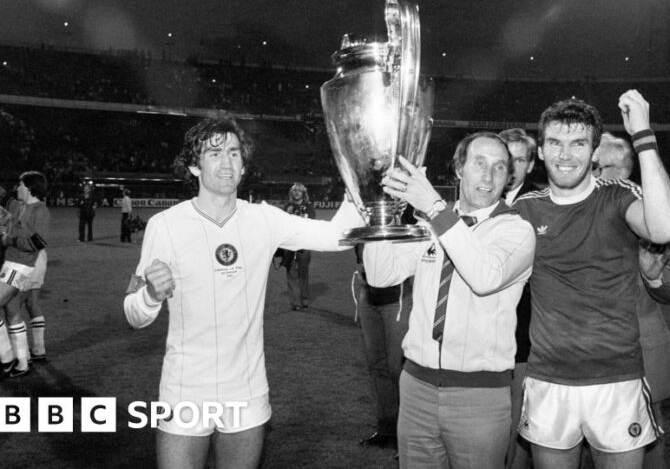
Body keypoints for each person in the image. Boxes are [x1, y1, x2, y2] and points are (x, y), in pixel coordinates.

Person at [123, 116, 363, 469]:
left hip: (246, 391)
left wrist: (359, 180)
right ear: (193, 164)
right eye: (215, 153)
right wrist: (150, 297)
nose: (227, 163)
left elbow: (337, 235)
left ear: (244, 164)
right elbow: (133, 314)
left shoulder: (264, 220)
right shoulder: (165, 226)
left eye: (234, 153)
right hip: (185, 389)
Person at [514, 91, 670, 469]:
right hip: (549, 380)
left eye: (578, 144)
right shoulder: (525, 209)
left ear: (593, 153)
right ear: (540, 150)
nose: (566, 155)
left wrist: (643, 134)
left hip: (616, 380)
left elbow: (665, 227)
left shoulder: (619, 198)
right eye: (554, 143)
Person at [363, 132, 536, 468]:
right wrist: (381, 211)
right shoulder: (431, 224)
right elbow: (380, 275)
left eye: (500, 167)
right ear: (459, 168)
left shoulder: (516, 231)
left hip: (479, 397)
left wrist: (434, 208)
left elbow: (484, 277)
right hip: (416, 387)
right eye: (479, 163)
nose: (488, 176)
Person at [593, 132, 670, 469]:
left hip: (641, 357)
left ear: (630, 170)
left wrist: (651, 276)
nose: (607, 176)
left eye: (615, 167)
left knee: (648, 453)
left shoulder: (657, 215)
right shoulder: (577, 213)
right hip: (585, 357)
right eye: (599, 167)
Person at [498, 127, 541, 469]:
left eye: (520, 159)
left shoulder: (542, 206)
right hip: (483, 334)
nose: (512, 166)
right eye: (506, 157)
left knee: (518, 416)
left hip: (524, 332)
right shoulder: (481, 199)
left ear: (530, 165)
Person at [354, 243, 413, 451]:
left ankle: (406, 435)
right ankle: (386, 426)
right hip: (368, 294)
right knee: (377, 365)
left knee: (397, 368)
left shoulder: (400, 212)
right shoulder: (367, 213)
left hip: (395, 296)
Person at [0, 171, 50, 378]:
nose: (17, 188)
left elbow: (39, 242)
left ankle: (6, 357)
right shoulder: (20, 207)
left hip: (20, 268)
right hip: (10, 265)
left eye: (20, 185)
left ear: (29, 188)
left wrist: (11, 240)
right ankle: (22, 363)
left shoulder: (40, 210)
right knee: (12, 311)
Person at [285, 183, 315, 310]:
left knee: (303, 272)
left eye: (299, 191)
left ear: (304, 193)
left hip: (304, 243)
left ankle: (304, 298)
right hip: (290, 244)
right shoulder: (287, 206)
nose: (296, 192)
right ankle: (296, 302)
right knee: (291, 273)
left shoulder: (308, 206)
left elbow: (311, 223)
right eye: (294, 190)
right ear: (291, 193)